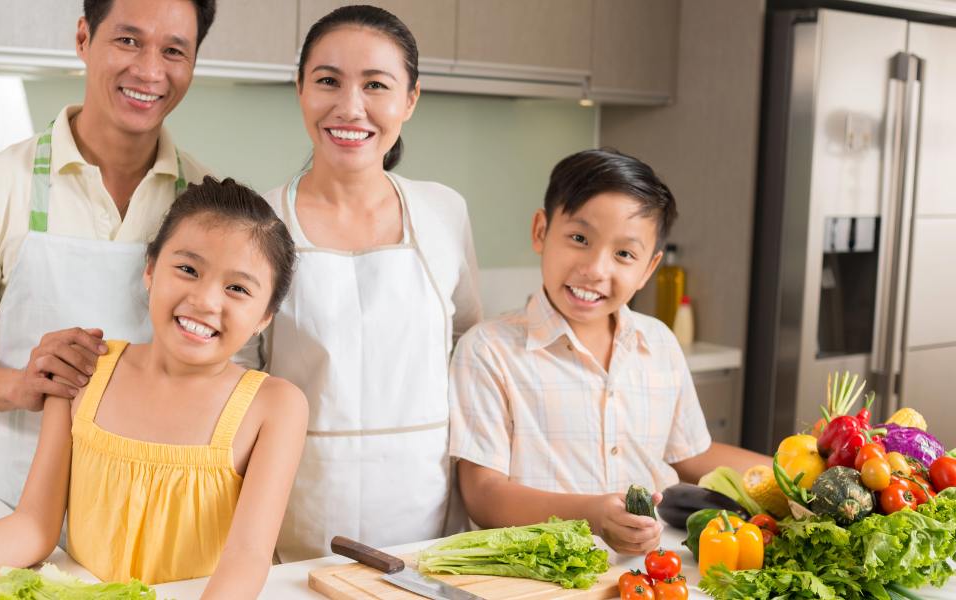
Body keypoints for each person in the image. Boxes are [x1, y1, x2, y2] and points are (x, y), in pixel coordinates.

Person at [0, 178, 308, 598]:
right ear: (150, 270)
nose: (204, 300)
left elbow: (246, 559)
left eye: (238, 289)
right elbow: (33, 526)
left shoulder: (274, 406)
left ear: (265, 316)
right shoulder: (86, 370)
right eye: (188, 269)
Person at [0, 0, 215, 506]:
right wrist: (21, 385)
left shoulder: (209, 203)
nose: (149, 71)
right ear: (83, 39)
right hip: (12, 508)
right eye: (128, 41)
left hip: (152, 512)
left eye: (173, 51)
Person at [242, 5, 482, 562]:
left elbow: (470, 347)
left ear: (410, 99)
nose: (350, 107)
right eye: (328, 81)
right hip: (296, 515)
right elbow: (234, 378)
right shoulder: (256, 223)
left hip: (427, 520)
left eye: (376, 84)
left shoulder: (444, 212)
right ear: (300, 89)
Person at [449, 149, 769, 555]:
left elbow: (692, 454)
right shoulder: (489, 349)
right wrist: (592, 516)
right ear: (541, 231)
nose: (596, 269)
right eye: (579, 239)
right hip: (539, 575)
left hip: (650, 571)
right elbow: (484, 494)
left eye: (624, 254)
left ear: (648, 268)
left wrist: (799, 469)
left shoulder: (658, 342)